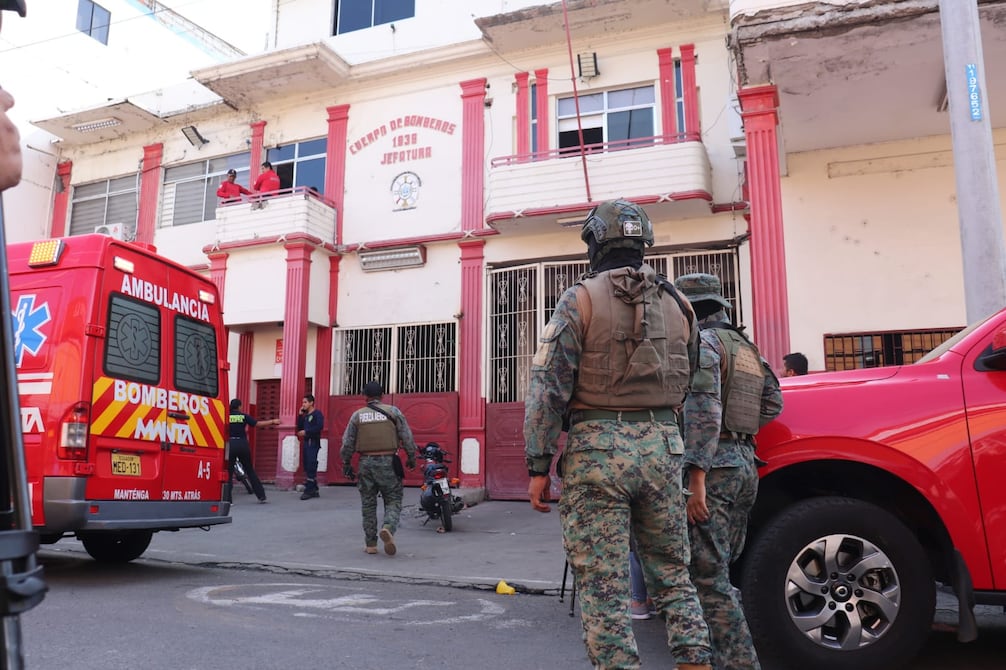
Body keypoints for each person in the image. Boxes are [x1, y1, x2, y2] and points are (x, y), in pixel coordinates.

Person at [524, 199, 712, 670]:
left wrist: (538, 465)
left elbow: (549, 387)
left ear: (593, 241)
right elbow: (696, 388)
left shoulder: (579, 298)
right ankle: (696, 661)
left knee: (604, 583)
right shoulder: (680, 304)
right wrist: (692, 464)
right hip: (664, 449)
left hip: (598, 454)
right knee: (673, 574)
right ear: (644, 242)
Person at [674, 273, 783, 670]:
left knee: (707, 577)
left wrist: (695, 478)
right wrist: (740, 434)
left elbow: (701, 412)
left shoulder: (703, 344)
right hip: (744, 466)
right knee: (721, 571)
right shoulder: (748, 348)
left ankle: (738, 663)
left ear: (688, 309)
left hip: (713, 472)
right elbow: (774, 403)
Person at [340, 381, 417, 556]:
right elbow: (407, 437)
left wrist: (346, 464)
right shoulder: (394, 412)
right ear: (382, 396)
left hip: (366, 464)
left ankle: (371, 544)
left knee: (368, 504)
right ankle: (388, 527)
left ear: (365, 396)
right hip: (389, 462)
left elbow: (347, 444)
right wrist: (411, 458)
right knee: (393, 500)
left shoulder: (357, 416)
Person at [228, 398, 277, 503]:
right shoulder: (243, 416)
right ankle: (261, 496)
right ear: (239, 406)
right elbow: (257, 424)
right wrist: (272, 421)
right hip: (242, 444)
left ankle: (228, 500)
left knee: (229, 471)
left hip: (230, 444)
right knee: (250, 470)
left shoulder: (225, 417)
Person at [296, 393, 324, 500]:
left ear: (311, 403)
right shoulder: (306, 416)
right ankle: (314, 489)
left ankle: (309, 490)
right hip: (306, 443)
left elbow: (319, 426)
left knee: (311, 464)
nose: (303, 404)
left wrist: (307, 432)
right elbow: (300, 427)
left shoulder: (317, 414)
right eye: (303, 402)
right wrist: (300, 415)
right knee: (307, 465)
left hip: (313, 443)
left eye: (305, 402)